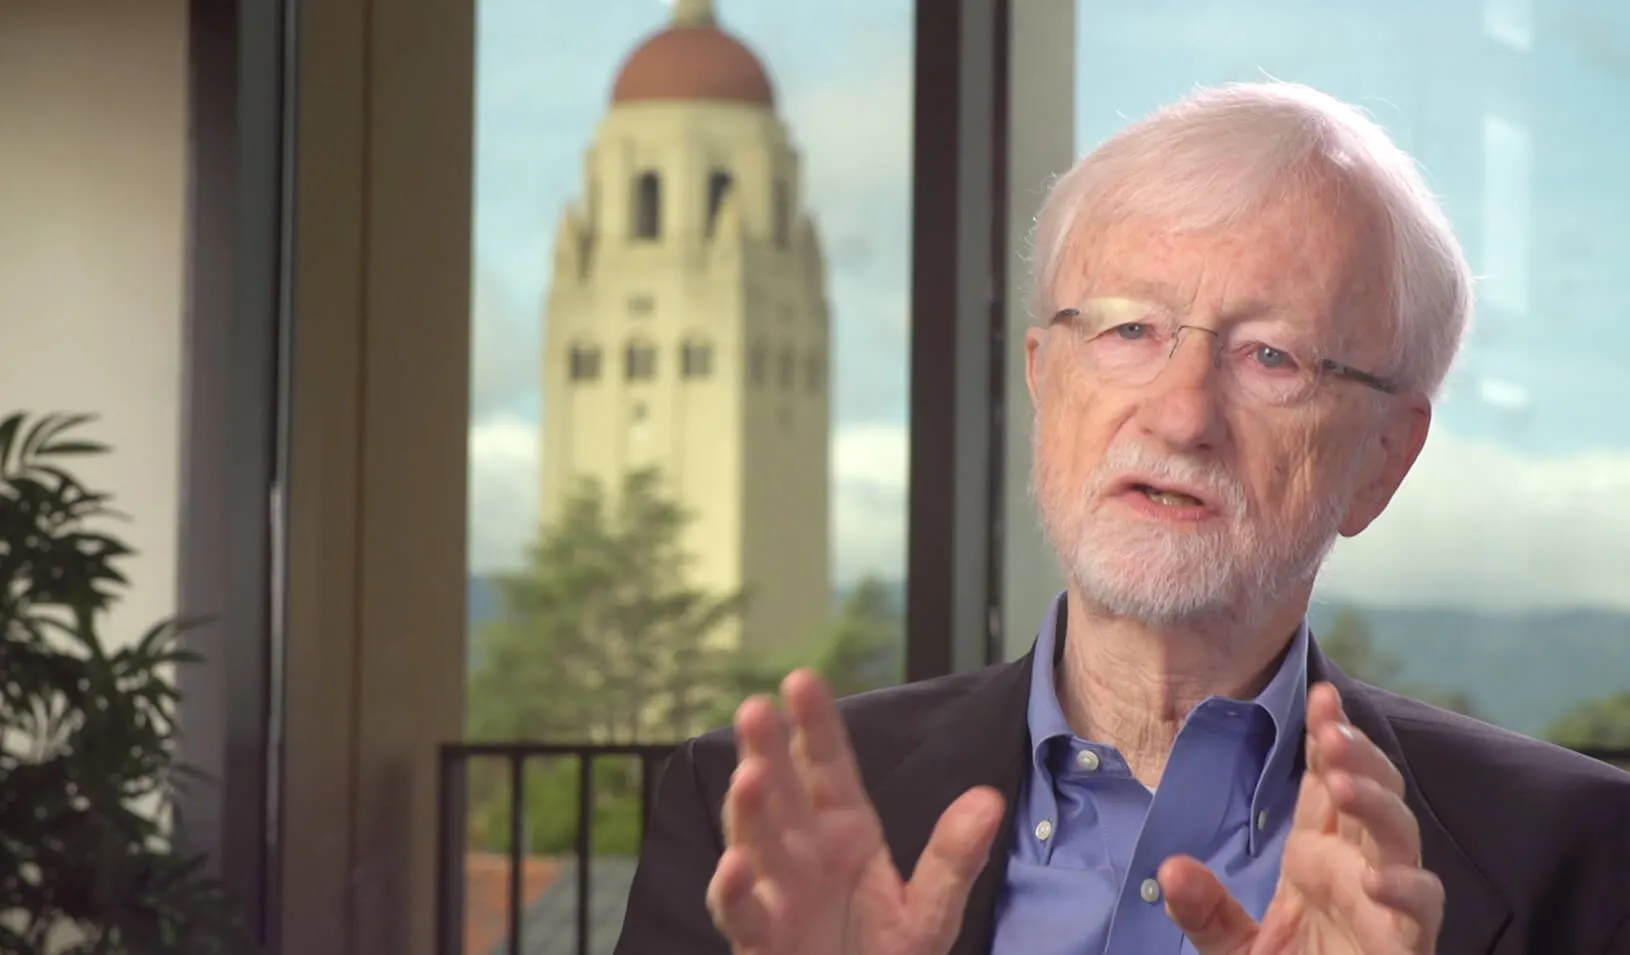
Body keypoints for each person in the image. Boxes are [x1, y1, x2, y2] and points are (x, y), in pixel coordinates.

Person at [611, 81, 1630, 955]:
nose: (1182, 415)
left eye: (1269, 356)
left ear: (1382, 458)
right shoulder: (750, 824)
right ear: (1042, 380)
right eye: (1130, 330)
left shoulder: (1581, 853)